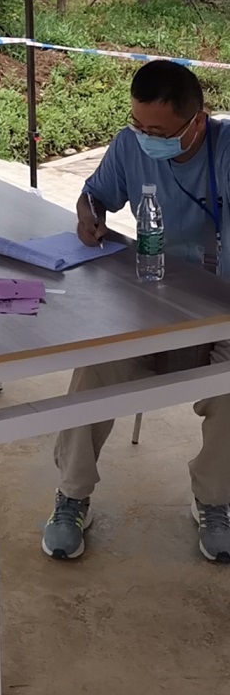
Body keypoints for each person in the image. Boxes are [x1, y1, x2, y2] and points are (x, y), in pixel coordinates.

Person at [42, 59, 230, 565]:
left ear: (198, 121)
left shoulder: (226, 150)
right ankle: (72, 495)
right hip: (148, 299)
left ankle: (215, 500)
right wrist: (88, 218)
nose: (147, 139)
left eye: (160, 133)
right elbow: (94, 195)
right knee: (93, 370)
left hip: (220, 309)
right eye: (139, 125)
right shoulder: (130, 146)